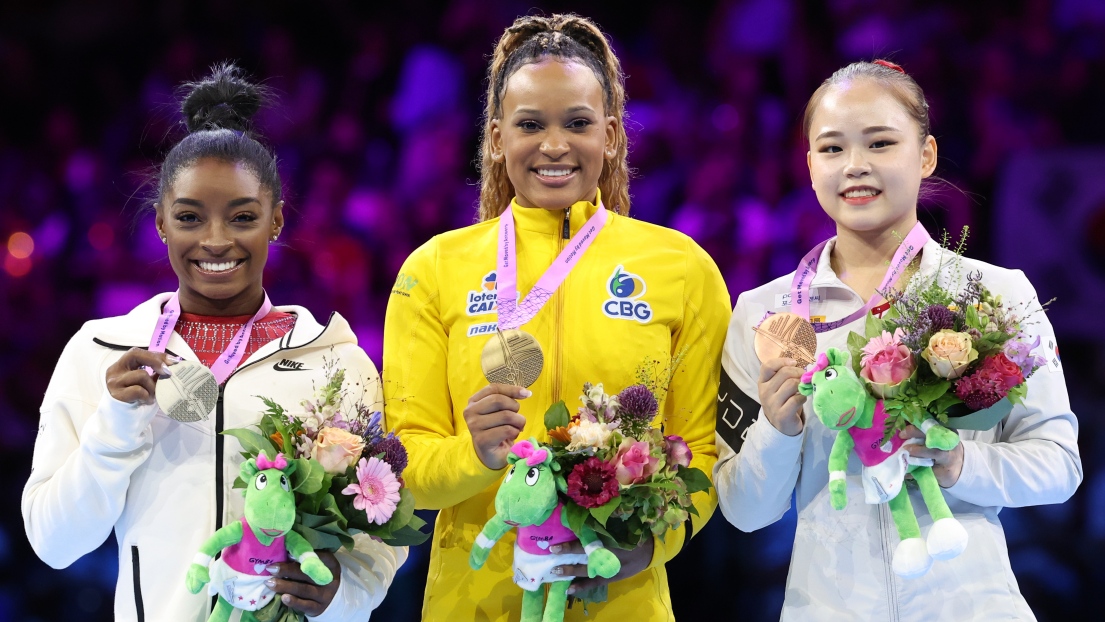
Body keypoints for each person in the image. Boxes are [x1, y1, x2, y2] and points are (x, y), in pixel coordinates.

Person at [21, 64, 405, 622]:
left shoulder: (336, 362)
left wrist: (341, 596)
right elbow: (54, 545)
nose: (216, 240)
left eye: (242, 217)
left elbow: (379, 536)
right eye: (190, 217)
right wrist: (116, 423)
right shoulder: (101, 352)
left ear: (275, 221)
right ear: (160, 224)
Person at [383, 14, 730, 621]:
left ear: (612, 136)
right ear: (496, 138)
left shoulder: (683, 269)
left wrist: (646, 547)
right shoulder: (432, 270)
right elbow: (404, 468)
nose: (553, 144)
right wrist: (476, 455)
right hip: (473, 604)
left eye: (577, 123)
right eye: (529, 125)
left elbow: (699, 453)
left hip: (622, 600)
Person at [713, 60, 1082, 620]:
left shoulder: (995, 295)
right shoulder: (764, 315)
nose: (855, 166)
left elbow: (1059, 466)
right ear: (810, 165)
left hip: (971, 605)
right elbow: (745, 511)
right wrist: (777, 429)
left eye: (881, 143)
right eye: (832, 149)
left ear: (926, 154)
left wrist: (959, 462)